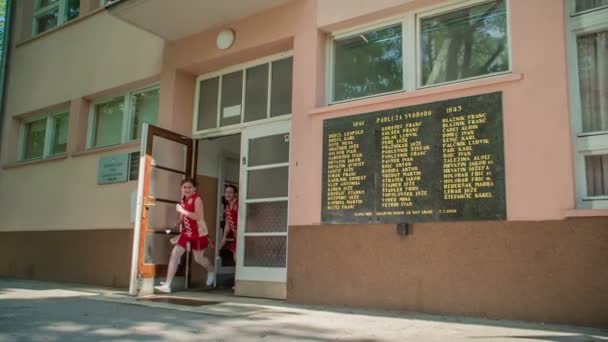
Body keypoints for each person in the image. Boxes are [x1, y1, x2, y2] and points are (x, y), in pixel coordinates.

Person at [154, 178, 215, 293]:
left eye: (189, 187)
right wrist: (177, 223)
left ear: (194, 189)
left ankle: (211, 270)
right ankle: (167, 285)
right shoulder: (183, 200)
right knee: (175, 254)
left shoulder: (197, 199)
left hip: (199, 233)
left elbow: (199, 217)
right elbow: (183, 216)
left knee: (199, 259)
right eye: (184, 187)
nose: (187, 189)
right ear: (181, 189)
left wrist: (183, 211)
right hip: (187, 232)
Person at [220, 185, 239, 264]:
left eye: (230, 192)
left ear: (235, 194)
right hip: (236, 236)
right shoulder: (227, 207)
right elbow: (228, 223)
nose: (228, 194)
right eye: (226, 192)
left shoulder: (238, 204)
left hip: (243, 235)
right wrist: (224, 237)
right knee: (236, 258)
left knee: (239, 258)